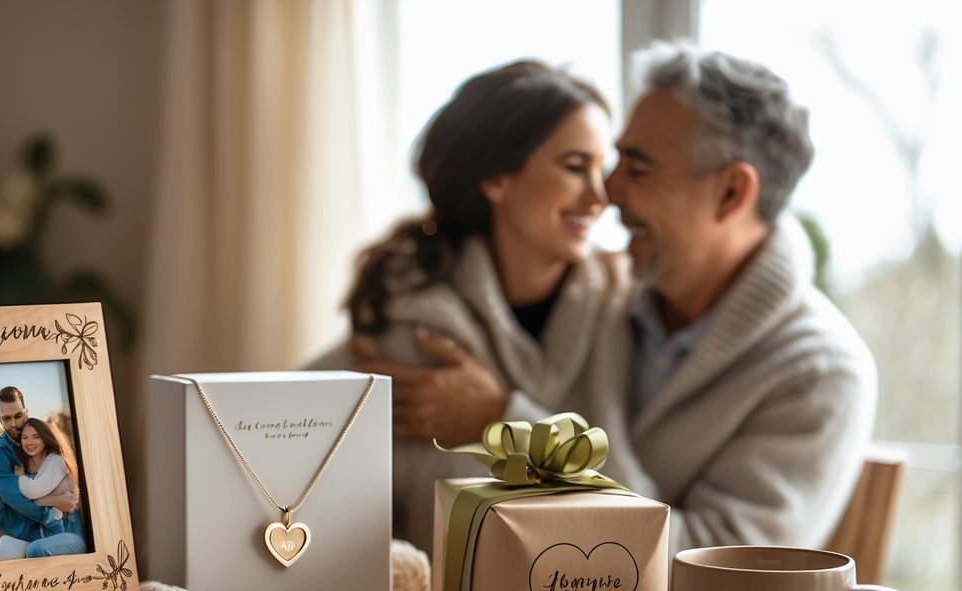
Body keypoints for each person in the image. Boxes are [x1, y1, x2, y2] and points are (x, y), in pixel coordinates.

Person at [313, 43, 877, 557]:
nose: (609, 192)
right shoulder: (609, 302)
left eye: (638, 166)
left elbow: (721, 573)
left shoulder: (818, 374)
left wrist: (505, 421)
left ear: (731, 191)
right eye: (589, 164)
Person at [307, 59, 622, 552]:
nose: (600, 196)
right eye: (576, 167)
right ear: (498, 178)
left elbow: (636, 509)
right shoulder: (414, 327)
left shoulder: (622, 313)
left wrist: (500, 416)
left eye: (603, 169)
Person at [0, 387, 85, 560]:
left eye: (18, 416)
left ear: (26, 412)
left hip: (57, 526)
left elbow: (67, 495)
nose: (13, 424)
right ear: (0, 419)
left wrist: (65, 503)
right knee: (8, 553)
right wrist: (56, 504)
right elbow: (23, 499)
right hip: (23, 526)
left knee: (35, 552)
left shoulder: (45, 449)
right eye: (6, 419)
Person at [10, 417, 87, 558]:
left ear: (45, 438)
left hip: (72, 536)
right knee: (4, 546)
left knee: (35, 550)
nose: (29, 442)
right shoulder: (32, 469)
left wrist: (22, 477)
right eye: (24, 437)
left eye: (36, 437)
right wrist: (55, 499)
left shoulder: (56, 460)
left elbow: (32, 492)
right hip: (49, 536)